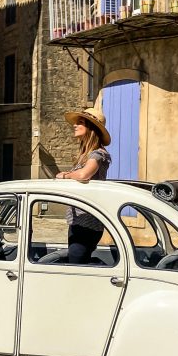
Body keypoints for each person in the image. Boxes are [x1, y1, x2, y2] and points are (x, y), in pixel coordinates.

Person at [55, 107, 112, 264]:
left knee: (77, 263)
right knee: (78, 261)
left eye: (80, 122)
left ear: (91, 129)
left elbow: (83, 175)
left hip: (88, 222)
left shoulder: (99, 154)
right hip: (77, 221)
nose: (75, 125)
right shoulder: (85, 155)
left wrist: (65, 175)